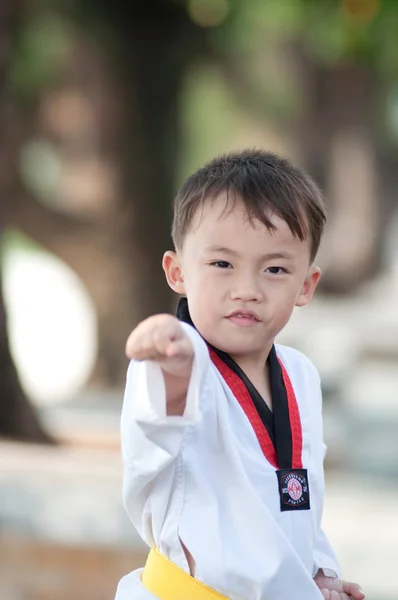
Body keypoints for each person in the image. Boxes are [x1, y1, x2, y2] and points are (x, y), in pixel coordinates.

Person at [115, 150, 365, 600]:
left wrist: (319, 572)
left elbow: (297, 499)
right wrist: (167, 355)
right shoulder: (181, 364)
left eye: (274, 269)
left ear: (306, 284)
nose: (247, 290)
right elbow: (164, 414)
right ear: (177, 272)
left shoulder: (301, 375)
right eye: (222, 264)